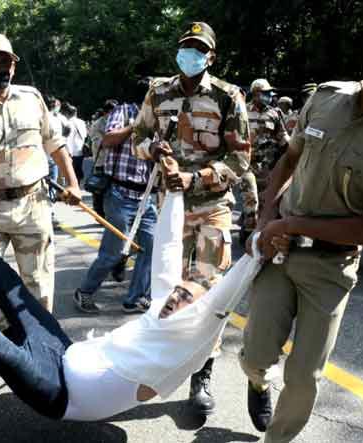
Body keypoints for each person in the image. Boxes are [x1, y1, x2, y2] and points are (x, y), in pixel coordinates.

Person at [238, 10, 363, 442]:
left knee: (305, 376)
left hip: (330, 269)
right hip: (279, 254)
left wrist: (291, 221)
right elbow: (288, 161)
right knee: (255, 355)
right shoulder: (326, 98)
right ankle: (258, 383)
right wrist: (266, 221)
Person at [0, 177, 263, 424]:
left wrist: (256, 253)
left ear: (198, 313)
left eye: (185, 297)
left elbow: (223, 300)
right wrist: (173, 194)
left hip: (61, 395)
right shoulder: (162, 307)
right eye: (175, 291)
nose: (174, 297)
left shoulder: (191, 340)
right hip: (62, 352)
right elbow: (168, 250)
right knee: (22, 303)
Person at [132, 21, 251, 417]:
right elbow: (137, 141)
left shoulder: (227, 96)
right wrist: (154, 149)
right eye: (186, 47)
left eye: (199, 49)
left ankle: (202, 373)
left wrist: (194, 177)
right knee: (168, 288)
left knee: (206, 289)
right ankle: (164, 361)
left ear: (211, 56)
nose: (191, 54)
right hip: (170, 210)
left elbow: (240, 158)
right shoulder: (158, 92)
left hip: (212, 206)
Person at [0, 33, 81, 332]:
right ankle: (8, 338)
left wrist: (73, 184)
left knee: (38, 283)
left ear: (13, 66)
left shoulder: (32, 98)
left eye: (3, 62)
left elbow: (55, 143)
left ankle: (41, 344)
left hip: (33, 206)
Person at [73, 79, 157, 314]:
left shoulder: (158, 118)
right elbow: (109, 139)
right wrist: (136, 125)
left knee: (149, 249)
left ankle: (136, 298)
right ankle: (85, 292)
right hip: (120, 195)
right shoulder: (124, 111)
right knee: (113, 252)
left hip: (146, 197)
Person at [239, 78, 290, 245]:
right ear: (255, 94)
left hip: (267, 168)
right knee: (251, 200)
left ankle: (255, 234)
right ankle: (248, 237)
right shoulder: (242, 112)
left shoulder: (275, 114)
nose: (269, 96)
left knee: (263, 204)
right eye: (265, 93)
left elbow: (283, 138)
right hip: (246, 166)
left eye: (269, 93)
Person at [63, 103, 87, 185]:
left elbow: (67, 138)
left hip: (71, 151)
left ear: (67, 113)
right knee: (78, 170)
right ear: (76, 113)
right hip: (80, 150)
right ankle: (78, 187)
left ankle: (72, 188)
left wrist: (68, 151)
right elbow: (85, 135)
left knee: (71, 172)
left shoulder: (68, 123)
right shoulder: (82, 122)